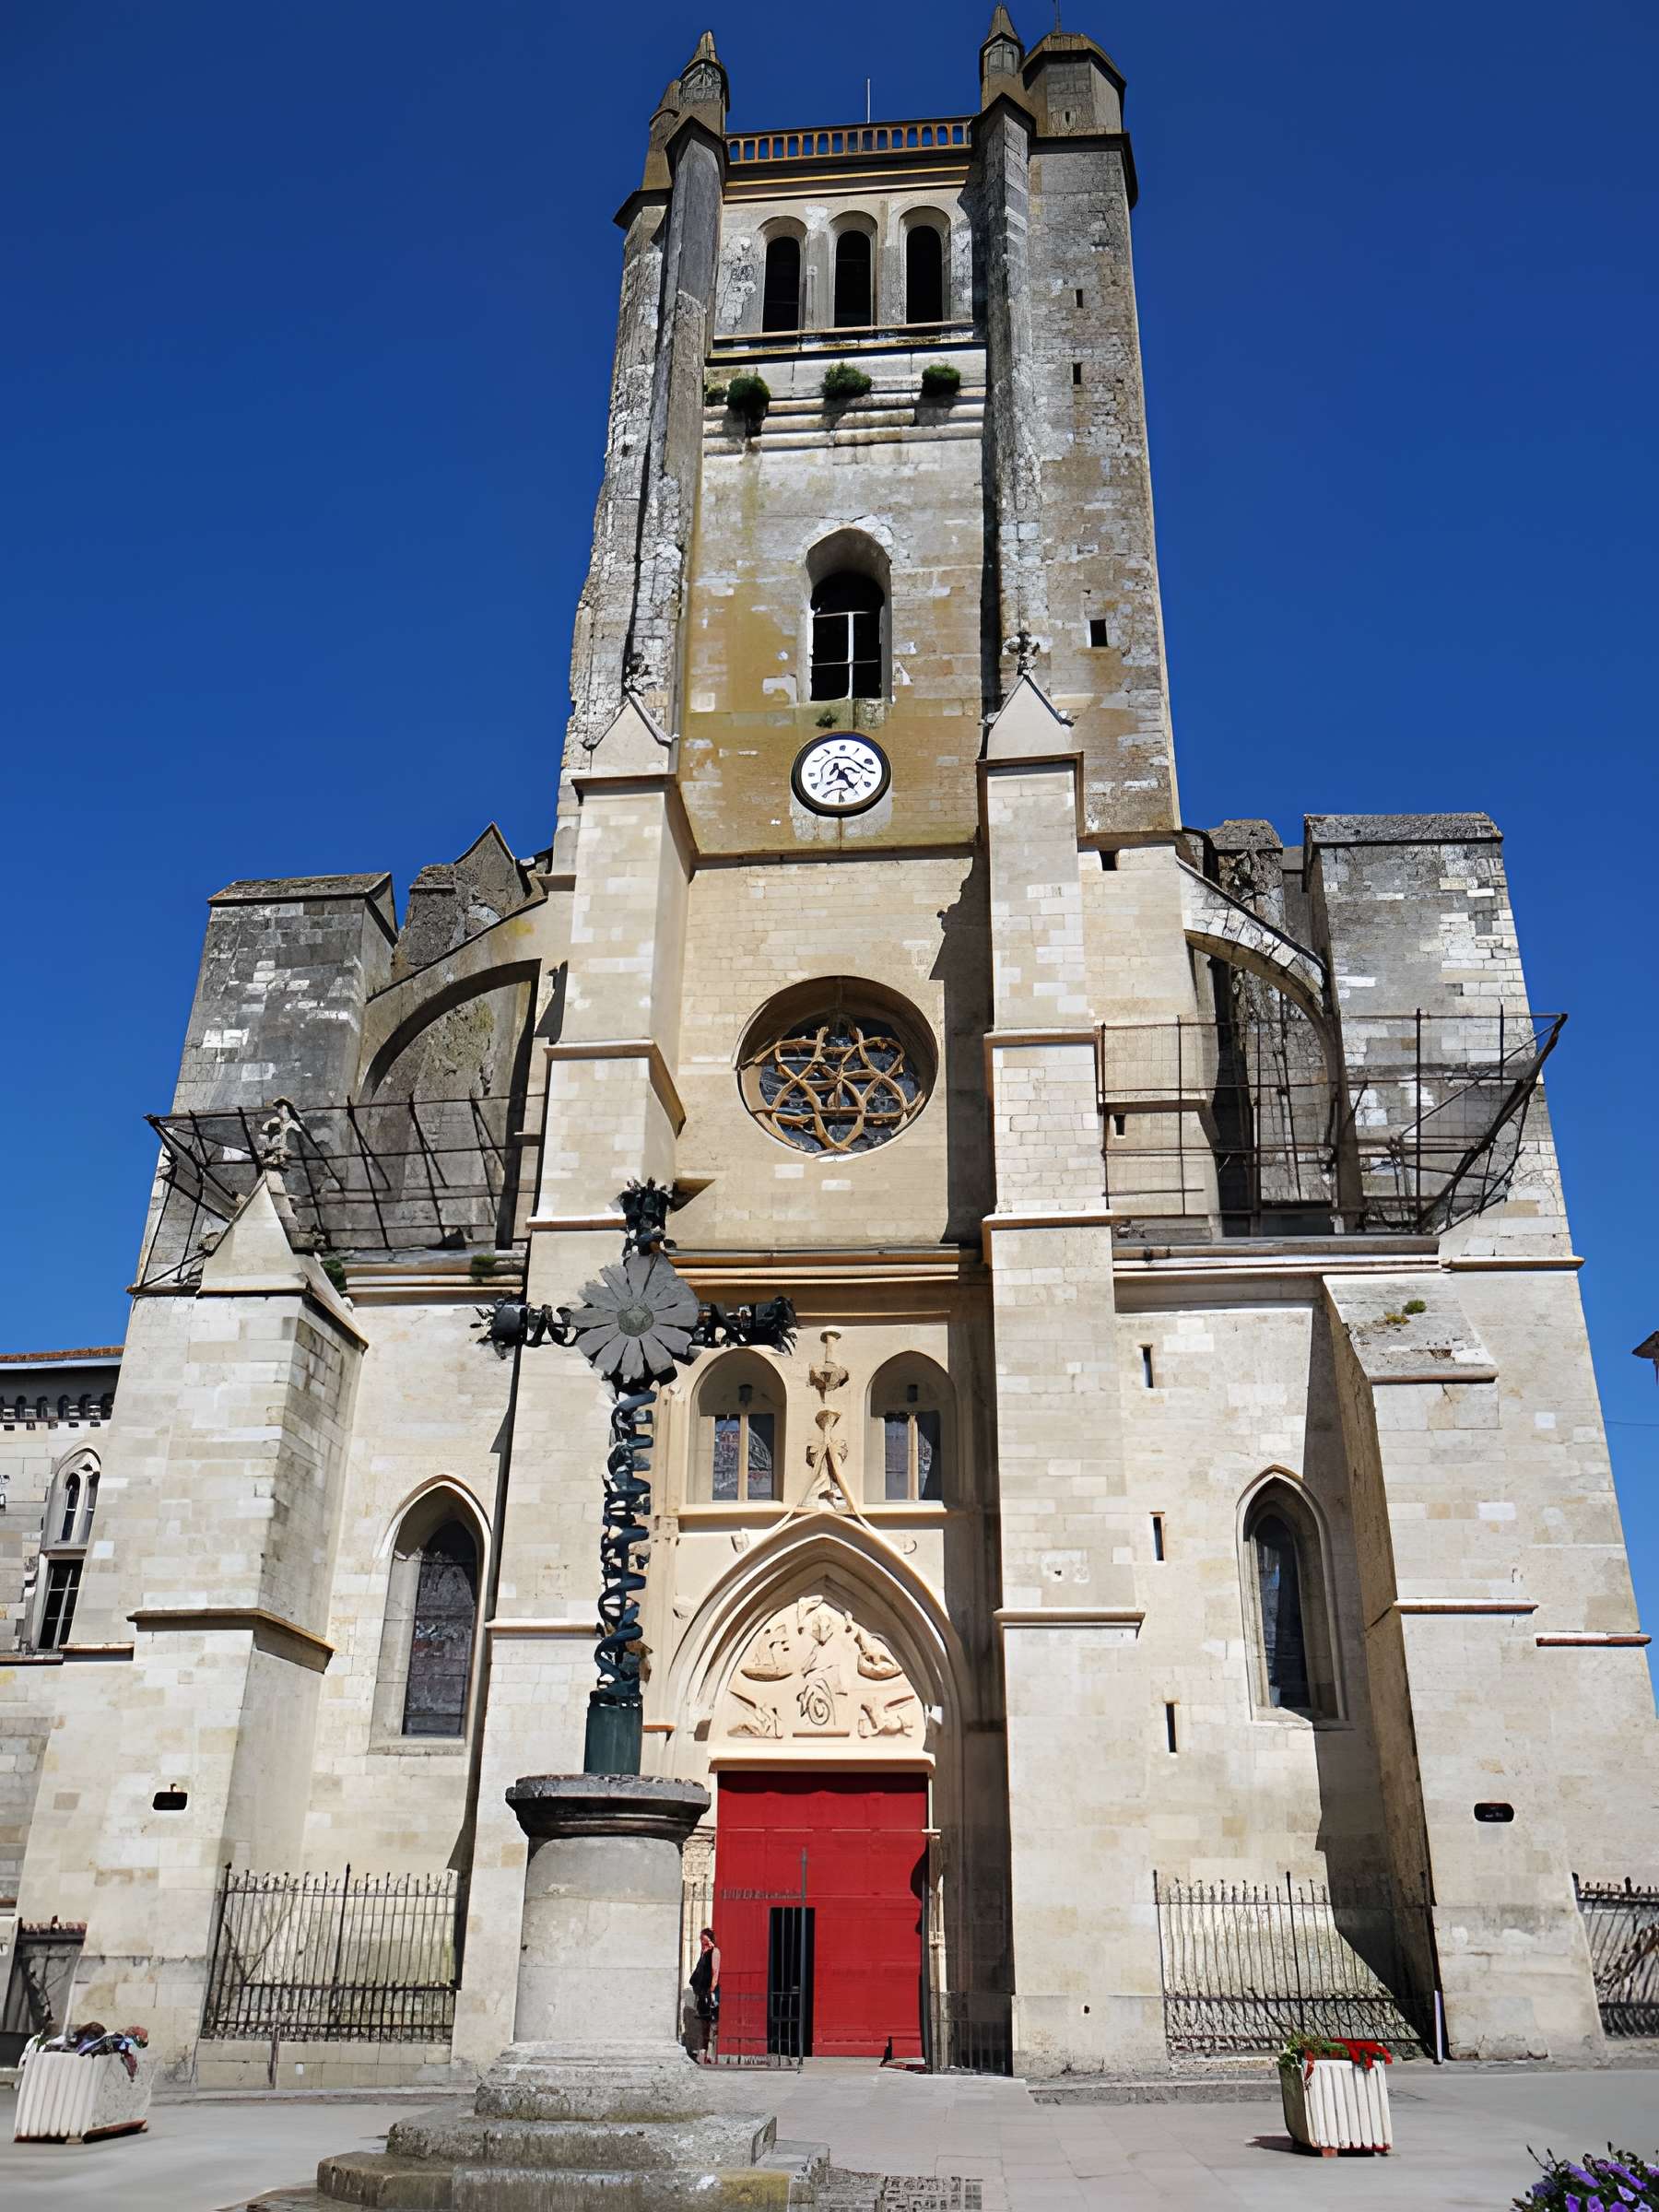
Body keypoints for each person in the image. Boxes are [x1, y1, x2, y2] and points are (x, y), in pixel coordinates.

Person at [689, 1926, 720, 2062]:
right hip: (701, 1992)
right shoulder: (704, 1952)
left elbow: (715, 1972)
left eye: (703, 1937)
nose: (701, 1940)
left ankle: (710, 2054)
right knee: (703, 2023)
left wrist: (711, 1990)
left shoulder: (715, 1951)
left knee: (711, 2023)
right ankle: (703, 2052)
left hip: (708, 1992)